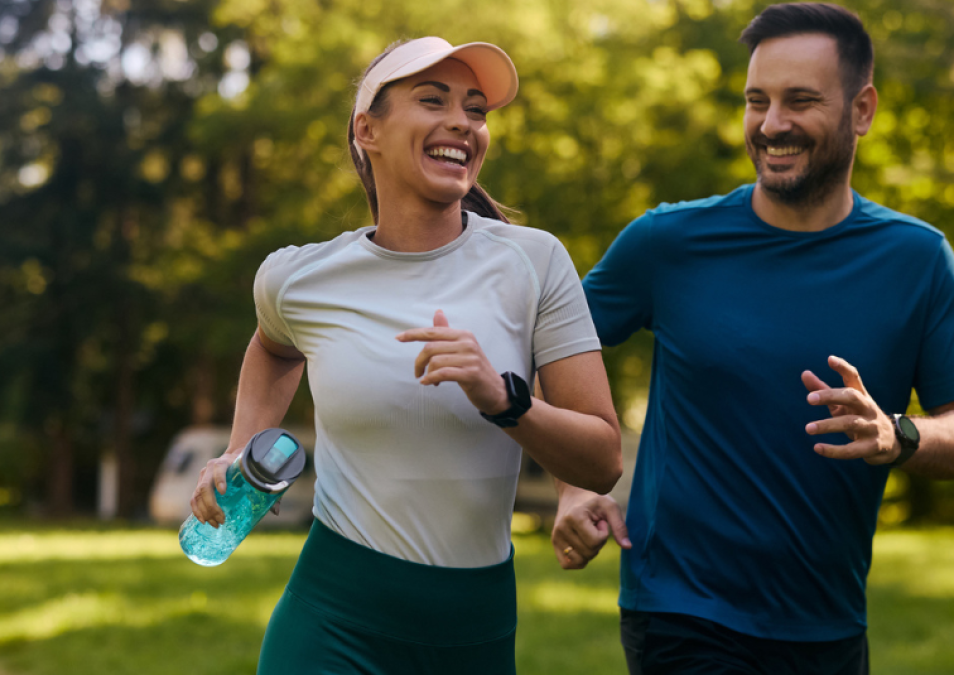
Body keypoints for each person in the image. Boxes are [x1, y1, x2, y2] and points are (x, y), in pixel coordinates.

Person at [189, 37, 623, 674]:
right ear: (368, 130)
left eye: (475, 110)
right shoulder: (298, 279)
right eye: (432, 100)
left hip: (472, 630)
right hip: (333, 617)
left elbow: (603, 457)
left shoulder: (534, 263)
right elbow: (273, 347)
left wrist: (506, 400)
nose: (463, 123)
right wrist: (240, 447)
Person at [551, 3, 954, 674]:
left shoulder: (917, 259)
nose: (771, 125)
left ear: (862, 110)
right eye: (756, 101)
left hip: (828, 621)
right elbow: (553, 345)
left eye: (799, 101)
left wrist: (895, 435)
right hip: (683, 611)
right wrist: (573, 480)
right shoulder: (667, 243)